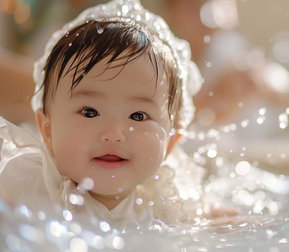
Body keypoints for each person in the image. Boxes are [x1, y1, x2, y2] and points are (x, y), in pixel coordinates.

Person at [0, 0, 226, 228]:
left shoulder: (170, 199)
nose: (113, 134)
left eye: (138, 116)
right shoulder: (28, 185)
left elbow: (218, 219)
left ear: (171, 141)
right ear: (47, 131)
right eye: (90, 112)